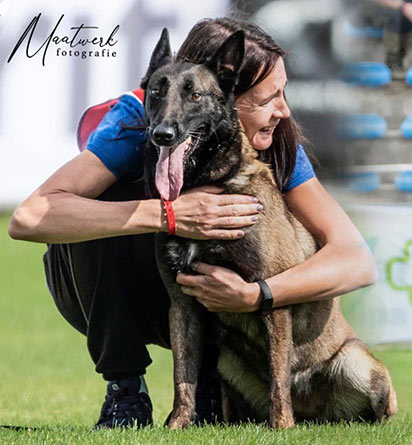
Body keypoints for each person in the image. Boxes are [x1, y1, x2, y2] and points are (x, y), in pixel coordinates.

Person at [7, 18, 376, 428]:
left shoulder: (277, 139)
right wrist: (166, 216)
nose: (283, 110)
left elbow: (356, 260)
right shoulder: (136, 119)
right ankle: (125, 391)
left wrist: (258, 295)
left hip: (233, 315)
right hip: (123, 299)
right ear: (222, 94)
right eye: (268, 97)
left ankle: (210, 392)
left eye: (283, 93)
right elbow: (29, 217)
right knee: (96, 205)